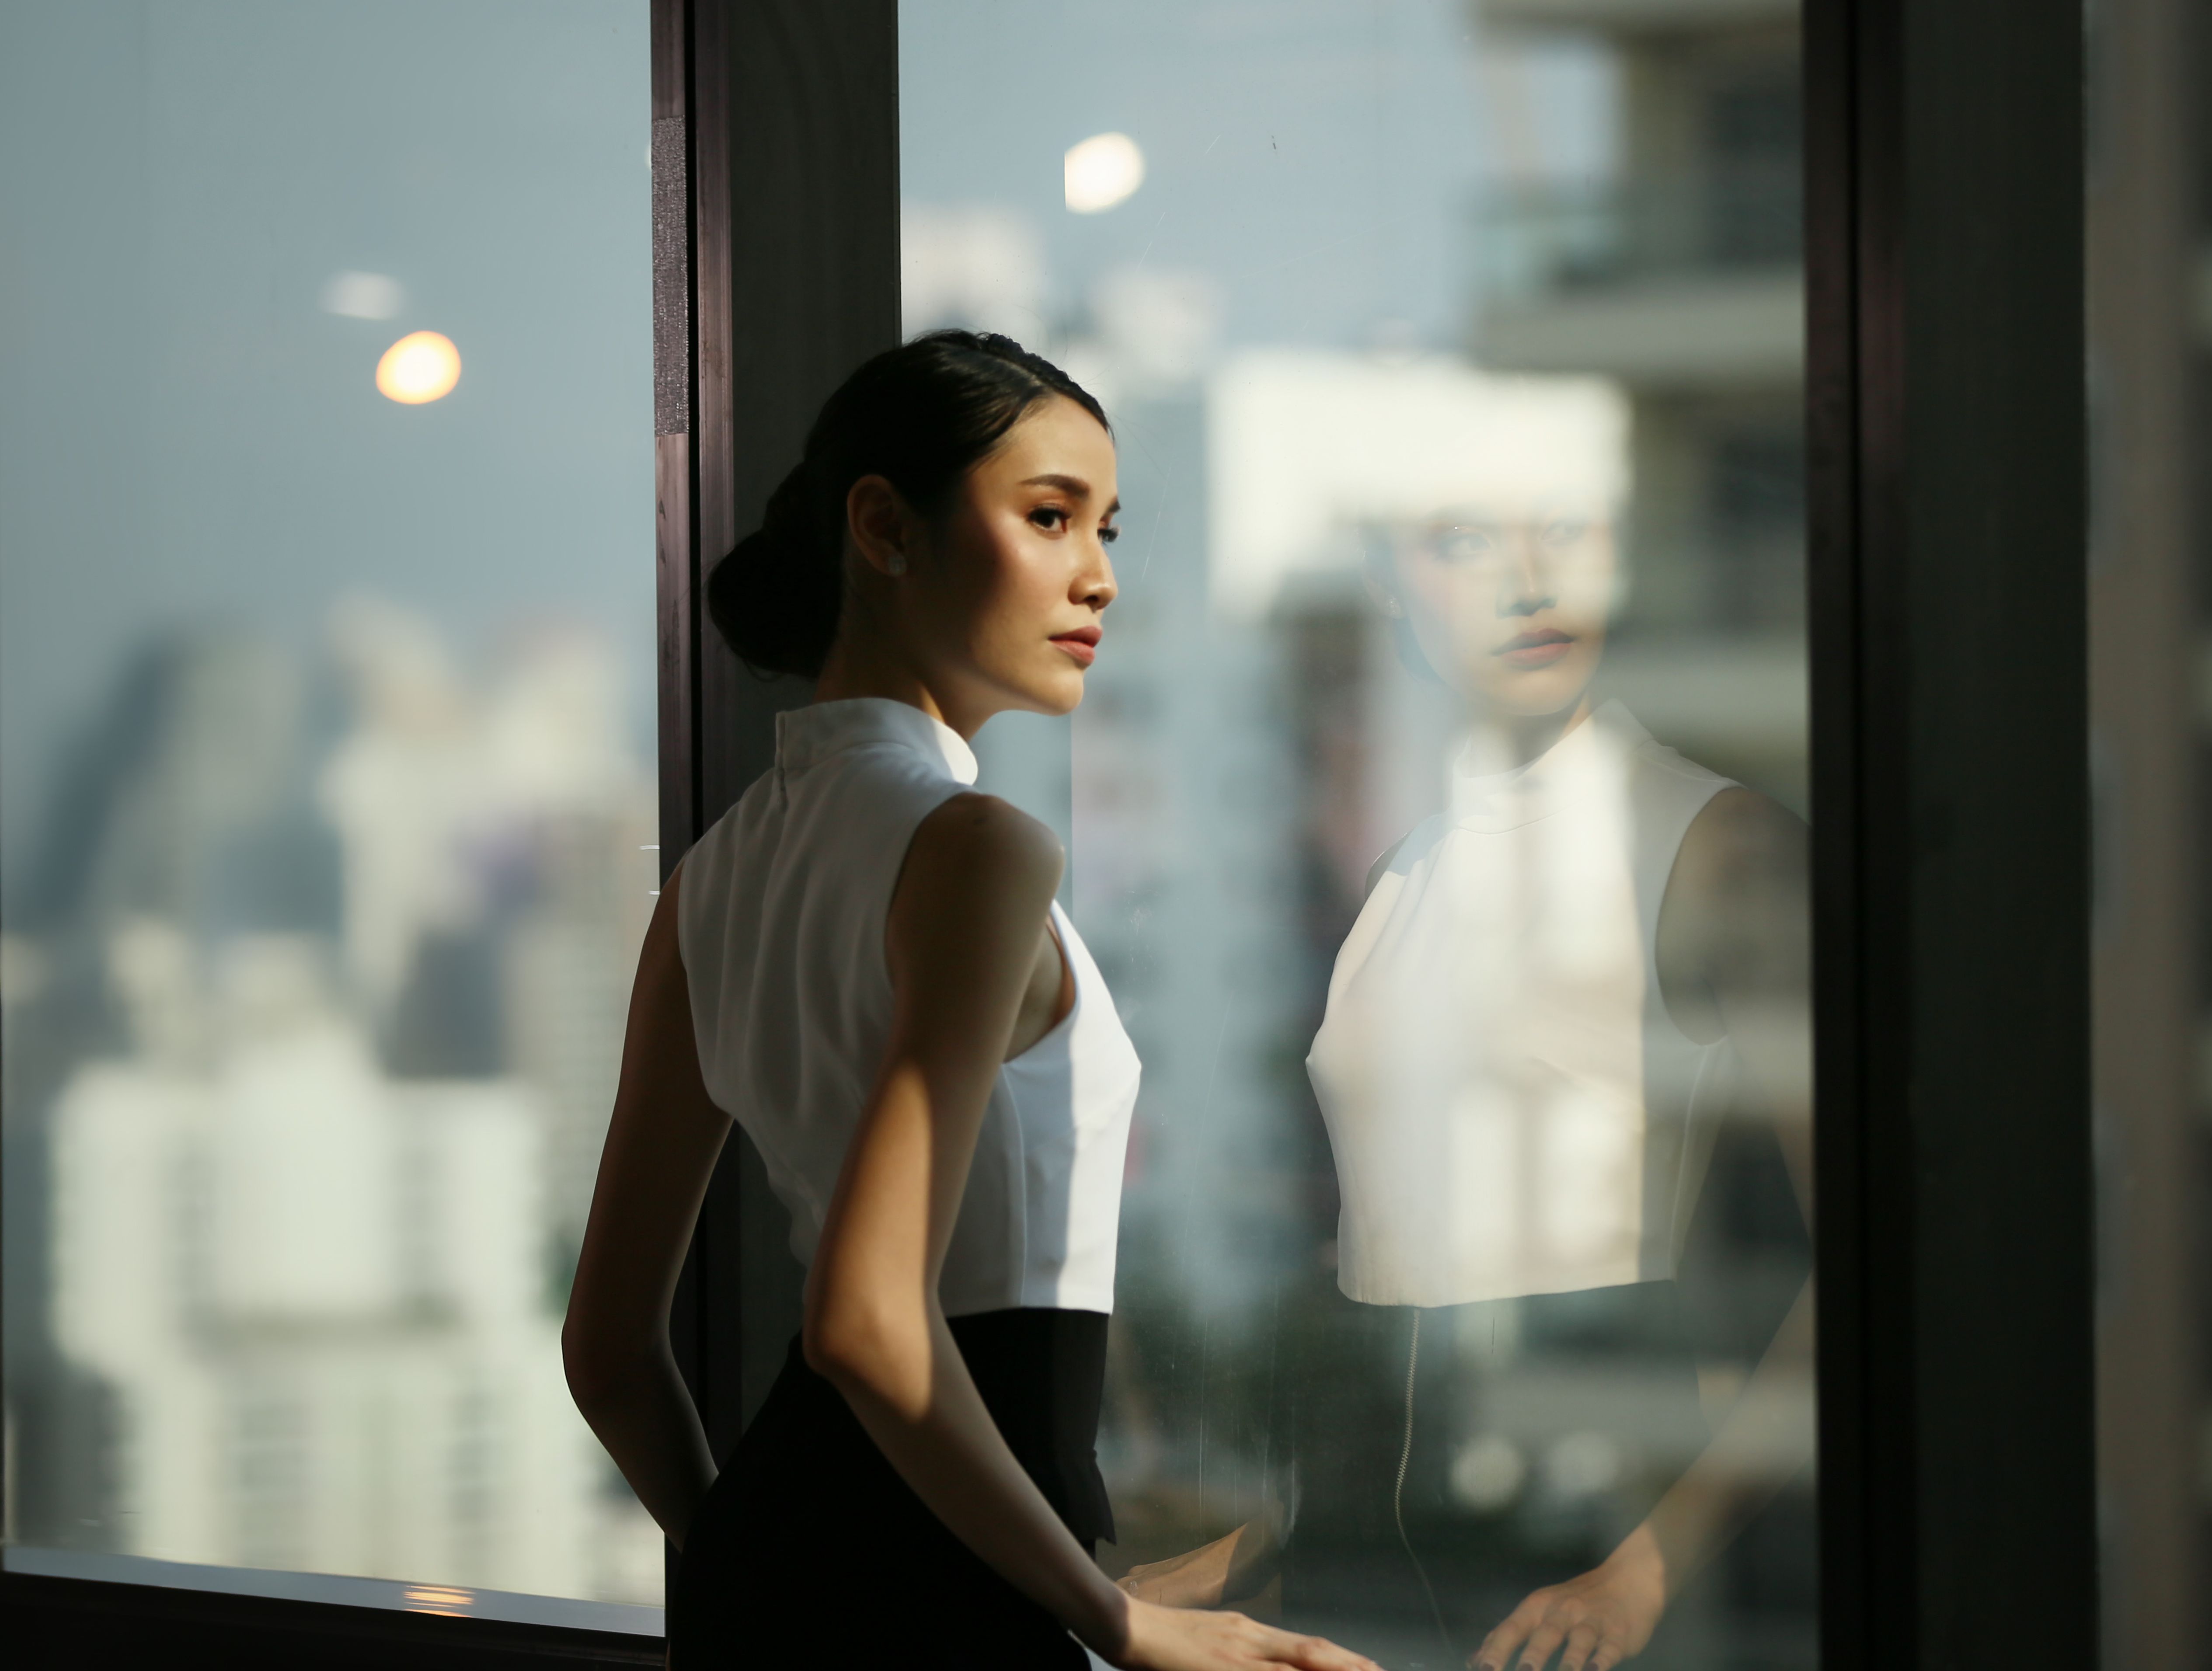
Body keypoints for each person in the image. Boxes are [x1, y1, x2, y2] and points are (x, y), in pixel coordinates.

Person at [561, 331, 1380, 1671]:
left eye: (1107, 527)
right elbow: (866, 1318)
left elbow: (605, 1345)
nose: (1100, 576)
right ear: (882, 526)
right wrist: (1113, 1615)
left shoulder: (706, 884)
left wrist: (753, 1562)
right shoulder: (975, 848)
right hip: (958, 1598)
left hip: (780, 1579)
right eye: (1050, 517)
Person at [1121, 498, 1811, 1671]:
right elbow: (1396, 1291)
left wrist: (1644, 1568)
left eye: (1567, 531)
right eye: (1465, 543)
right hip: (1380, 1564)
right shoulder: (1404, 877)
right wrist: (1278, 1536)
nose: (1530, 582)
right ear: (1395, 590)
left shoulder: (1710, 845)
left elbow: (1866, 1255)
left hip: (1589, 1556)